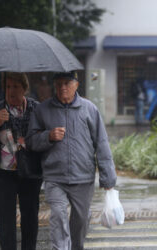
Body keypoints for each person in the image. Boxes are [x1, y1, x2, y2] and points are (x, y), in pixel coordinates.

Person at [26, 72, 117, 250]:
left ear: (76, 85)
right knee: (58, 215)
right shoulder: (43, 110)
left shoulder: (89, 109)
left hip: (83, 177)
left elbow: (102, 144)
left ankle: (76, 246)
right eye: (58, 84)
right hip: (54, 177)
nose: (62, 88)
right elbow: (30, 141)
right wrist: (48, 136)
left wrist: (108, 179)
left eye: (67, 83)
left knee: (81, 218)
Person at [0, 72, 42, 250]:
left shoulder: (36, 109)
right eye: (7, 87)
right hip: (5, 175)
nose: (11, 91)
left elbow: (43, 137)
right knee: (6, 220)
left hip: (30, 172)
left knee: (30, 217)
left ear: (24, 88)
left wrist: (27, 141)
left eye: (15, 87)